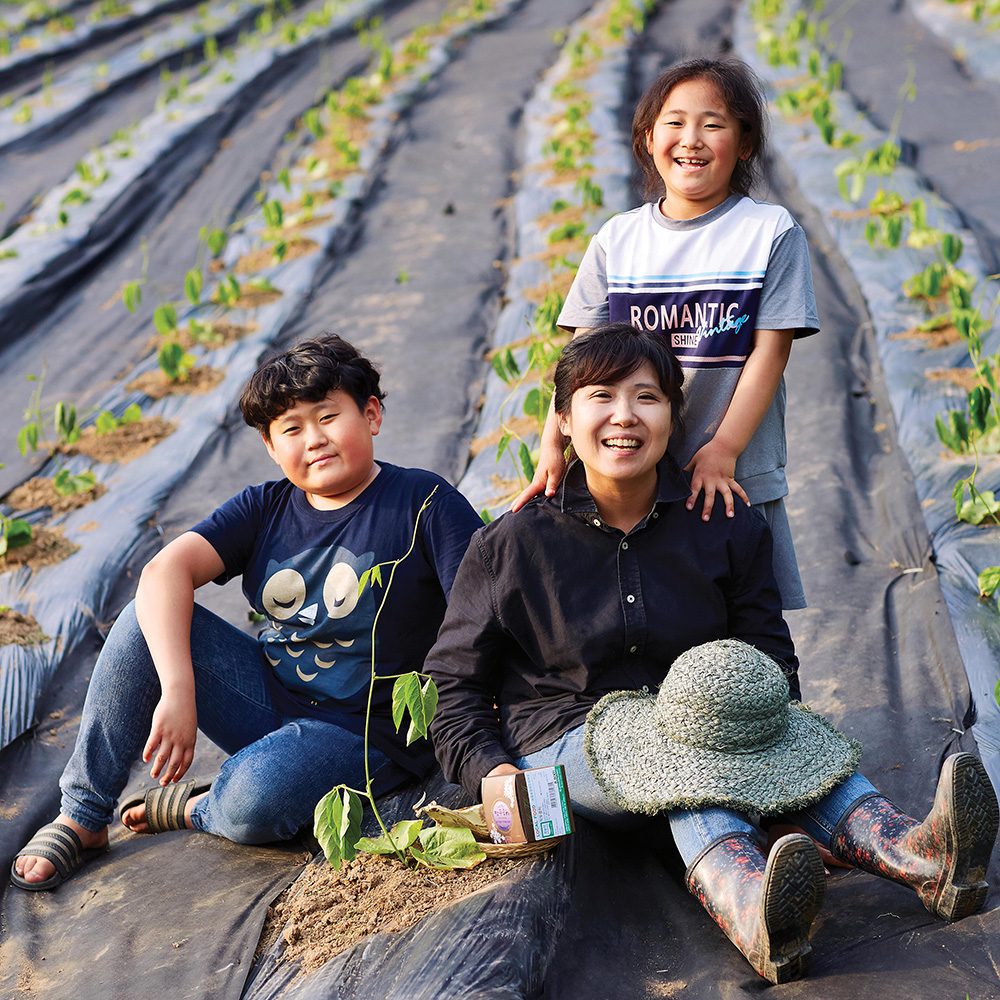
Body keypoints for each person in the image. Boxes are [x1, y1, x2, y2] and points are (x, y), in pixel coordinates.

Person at [427, 324, 998, 984]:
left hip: (712, 729)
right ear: (563, 417)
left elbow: (768, 656)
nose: (624, 416)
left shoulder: (723, 522)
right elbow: (452, 687)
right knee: (680, 761)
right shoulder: (512, 545)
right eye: (600, 396)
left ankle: (922, 856)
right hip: (567, 740)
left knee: (740, 733)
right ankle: (757, 908)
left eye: (646, 397)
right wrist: (491, 776)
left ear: (673, 414)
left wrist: (782, 753)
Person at [12, 333, 484, 890]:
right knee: (143, 617)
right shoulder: (265, 507)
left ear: (372, 415)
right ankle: (83, 815)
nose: (315, 439)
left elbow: (479, 616)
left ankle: (199, 808)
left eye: (329, 416)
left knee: (251, 801)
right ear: (270, 445)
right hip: (267, 695)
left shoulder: (423, 502)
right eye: (292, 428)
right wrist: (178, 688)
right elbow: (165, 572)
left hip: (367, 730)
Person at [514, 57, 818, 610]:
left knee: (739, 625)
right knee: (636, 612)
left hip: (729, 472)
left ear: (744, 144)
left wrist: (722, 449)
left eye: (713, 124)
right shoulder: (618, 238)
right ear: (648, 138)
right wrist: (553, 440)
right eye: (674, 122)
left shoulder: (768, 232)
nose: (692, 139)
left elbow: (769, 356)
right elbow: (581, 360)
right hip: (630, 467)